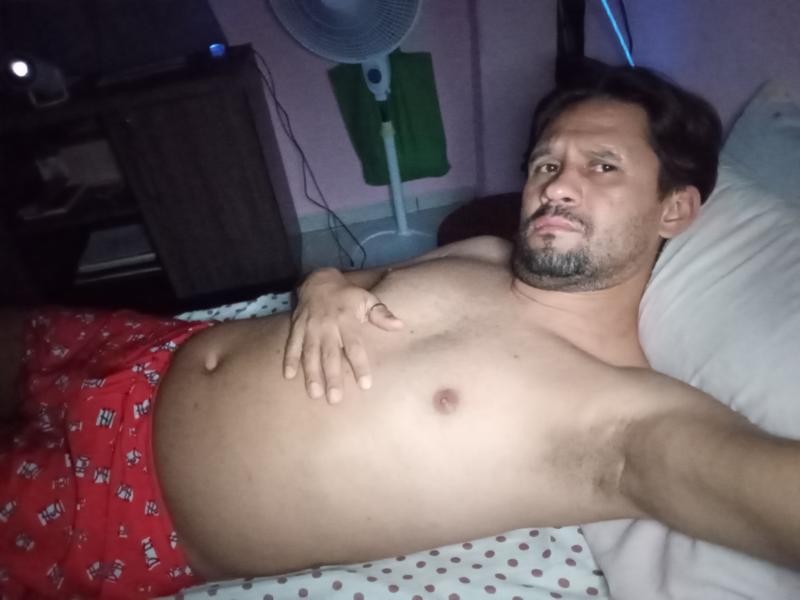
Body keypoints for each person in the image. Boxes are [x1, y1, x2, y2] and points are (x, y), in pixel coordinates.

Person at [0, 64, 797, 599]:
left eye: (603, 166)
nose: (557, 185)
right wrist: (321, 287)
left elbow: (752, 486)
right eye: (546, 163)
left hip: (118, 506)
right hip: (133, 351)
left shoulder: (618, 418)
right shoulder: (488, 252)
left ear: (675, 210)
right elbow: (346, 279)